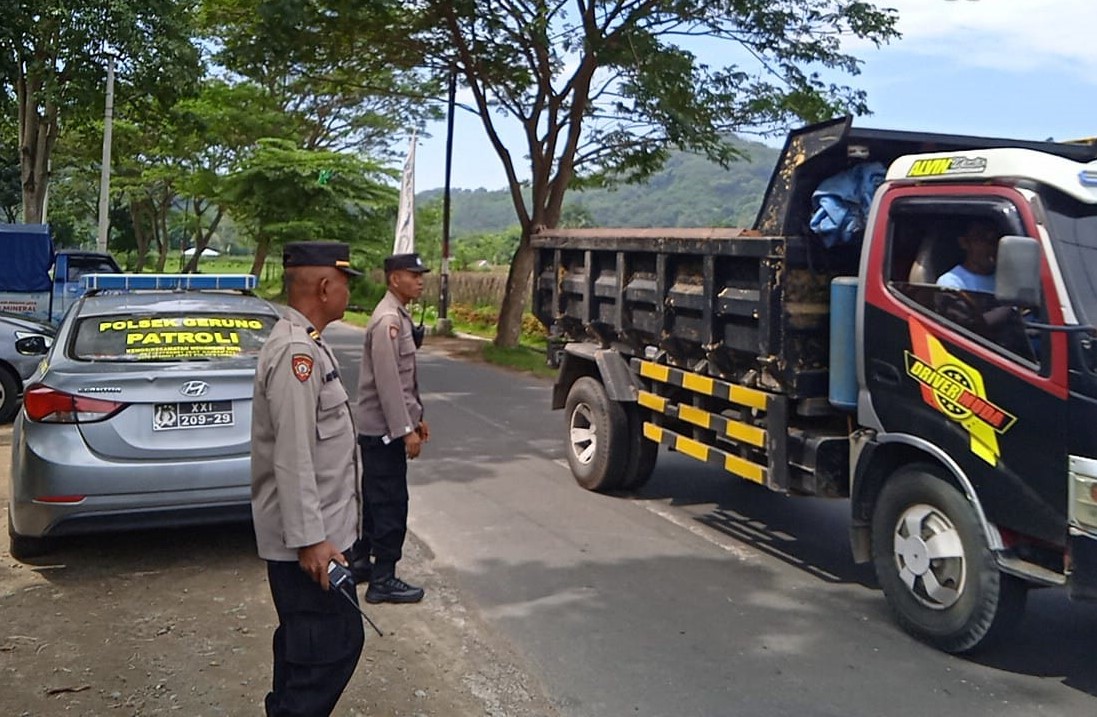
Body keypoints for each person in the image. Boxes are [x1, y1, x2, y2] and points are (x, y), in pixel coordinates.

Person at [250, 241, 365, 717]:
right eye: (344, 283)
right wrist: (311, 541)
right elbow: (293, 456)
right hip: (312, 548)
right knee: (331, 648)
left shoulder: (310, 344)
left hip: (322, 539)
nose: (347, 293)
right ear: (324, 285)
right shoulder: (298, 353)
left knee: (305, 649)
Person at [349, 252, 430, 604]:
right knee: (390, 502)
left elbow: (405, 381)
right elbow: (388, 384)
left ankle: (362, 563)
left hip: (386, 427)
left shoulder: (398, 315)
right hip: (384, 431)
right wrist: (405, 430)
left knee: (377, 497)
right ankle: (383, 579)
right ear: (394, 278)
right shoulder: (387, 322)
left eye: (420, 275)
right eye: (413, 274)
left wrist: (416, 418)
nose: (420, 280)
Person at [936, 221, 1001, 293]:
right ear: (964, 243)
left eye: (993, 240)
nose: (990, 247)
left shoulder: (1005, 280)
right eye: (982, 239)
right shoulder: (951, 283)